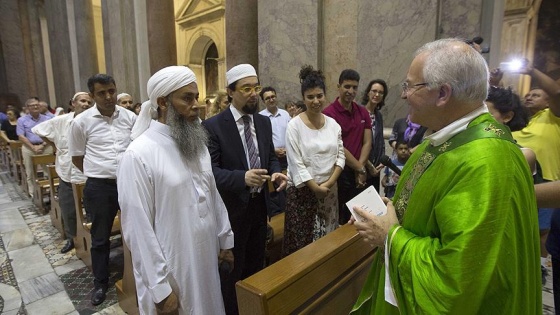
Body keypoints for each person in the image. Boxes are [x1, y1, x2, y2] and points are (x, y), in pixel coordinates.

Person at [350, 38, 540, 314]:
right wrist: (387, 213)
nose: (403, 95)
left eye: (410, 86)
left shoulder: (486, 162)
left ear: (442, 94)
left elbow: (456, 281)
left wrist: (390, 236)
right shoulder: (440, 141)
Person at [119, 66, 234, 314]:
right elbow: (138, 230)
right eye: (187, 98)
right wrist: (160, 289)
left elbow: (213, 194)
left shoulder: (197, 143)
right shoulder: (139, 154)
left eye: (196, 97)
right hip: (172, 270)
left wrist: (225, 241)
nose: (197, 105)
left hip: (205, 258)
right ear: (162, 102)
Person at [202, 64, 287, 315]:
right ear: (230, 92)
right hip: (231, 213)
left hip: (259, 207)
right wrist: (243, 178)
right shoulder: (213, 126)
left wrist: (275, 172)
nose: (253, 94)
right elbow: (211, 173)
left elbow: (269, 156)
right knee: (232, 273)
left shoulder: (262, 122)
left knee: (255, 266)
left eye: (256, 88)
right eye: (246, 88)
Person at [68, 74, 137, 306]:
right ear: (92, 95)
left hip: (129, 182)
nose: (109, 97)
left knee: (137, 230)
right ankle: (100, 282)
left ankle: (138, 273)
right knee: (100, 237)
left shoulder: (129, 117)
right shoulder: (82, 122)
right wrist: (99, 171)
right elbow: (78, 157)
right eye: (102, 93)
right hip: (100, 187)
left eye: (112, 91)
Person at [282, 65, 345, 256]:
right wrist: (315, 187)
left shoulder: (333, 124)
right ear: (303, 98)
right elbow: (295, 162)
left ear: (325, 95)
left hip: (329, 192)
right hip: (303, 194)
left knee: (327, 241)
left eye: (319, 95)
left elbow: (340, 155)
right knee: (303, 247)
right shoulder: (294, 126)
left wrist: (330, 182)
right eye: (310, 97)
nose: (316, 101)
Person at [32, 92, 92, 254]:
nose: (85, 104)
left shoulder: (93, 120)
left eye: (88, 101)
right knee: (68, 207)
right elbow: (38, 130)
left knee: (92, 207)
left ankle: (93, 238)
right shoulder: (61, 121)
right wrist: (54, 145)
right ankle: (72, 238)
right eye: (82, 101)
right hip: (66, 170)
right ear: (73, 103)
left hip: (87, 172)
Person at [323, 69, 372, 224]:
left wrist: (361, 168)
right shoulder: (329, 113)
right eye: (347, 86)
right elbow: (339, 146)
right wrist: (360, 168)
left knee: (361, 215)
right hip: (340, 172)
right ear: (339, 86)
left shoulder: (362, 112)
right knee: (342, 218)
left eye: (354, 87)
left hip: (360, 170)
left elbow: (367, 142)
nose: (351, 91)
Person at [259, 86, 291, 216]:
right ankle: (277, 213)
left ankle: (287, 210)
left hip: (288, 157)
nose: (271, 100)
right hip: (272, 158)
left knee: (288, 185)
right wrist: (274, 150)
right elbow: (262, 140)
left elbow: (290, 134)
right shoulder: (260, 117)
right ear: (263, 101)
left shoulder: (285, 114)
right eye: (267, 98)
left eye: (273, 97)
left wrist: (288, 150)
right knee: (275, 188)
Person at [17, 98, 53, 196]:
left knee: (49, 170)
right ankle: (34, 193)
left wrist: (42, 145)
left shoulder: (47, 119)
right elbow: (21, 136)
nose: (36, 107)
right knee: (30, 171)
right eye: (33, 105)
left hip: (45, 146)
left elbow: (50, 133)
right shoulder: (22, 120)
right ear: (28, 108)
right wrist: (33, 147)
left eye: (37, 105)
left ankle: (51, 190)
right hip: (29, 147)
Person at [361, 79, 388, 192]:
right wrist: (369, 165)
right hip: (361, 166)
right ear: (368, 92)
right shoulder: (359, 112)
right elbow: (357, 143)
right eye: (374, 91)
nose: (377, 95)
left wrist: (381, 162)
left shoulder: (379, 116)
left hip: (376, 169)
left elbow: (380, 141)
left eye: (380, 92)